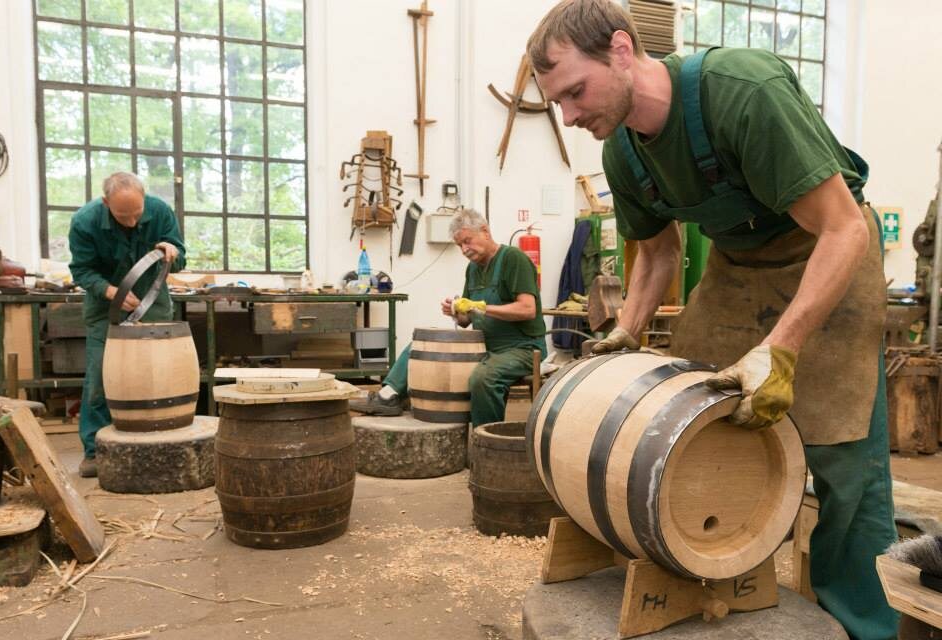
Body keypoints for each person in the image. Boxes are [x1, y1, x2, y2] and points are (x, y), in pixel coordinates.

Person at [527, 2, 896, 639]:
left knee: (842, 458)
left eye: (575, 92)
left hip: (830, 251)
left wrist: (781, 350)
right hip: (737, 265)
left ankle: (862, 624)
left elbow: (840, 228)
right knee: (690, 415)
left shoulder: (743, 92)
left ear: (621, 50)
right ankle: (710, 562)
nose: (570, 114)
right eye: (558, 102)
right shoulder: (623, 151)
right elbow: (659, 253)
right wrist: (625, 330)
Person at [350, 209, 546, 428]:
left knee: (483, 378)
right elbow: (466, 321)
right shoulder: (472, 269)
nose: (464, 249)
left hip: (523, 348)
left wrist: (480, 306)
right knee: (422, 346)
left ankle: (487, 440)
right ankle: (388, 395)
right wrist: (457, 311)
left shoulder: (513, 258)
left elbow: (528, 309)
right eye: (459, 245)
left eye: (467, 241)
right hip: (485, 346)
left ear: (485, 231)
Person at [68, 172, 186, 478]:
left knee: (156, 372)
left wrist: (172, 252)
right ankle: (95, 450)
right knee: (100, 376)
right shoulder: (85, 222)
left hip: (153, 298)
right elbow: (81, 270)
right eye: (123, 216)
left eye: (137, 213)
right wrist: (111, 293)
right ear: (106, 203)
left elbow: (181, 256)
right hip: (104, 303)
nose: (133, 222)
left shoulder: (158, 211)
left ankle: (155, 442)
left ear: (144, 199)